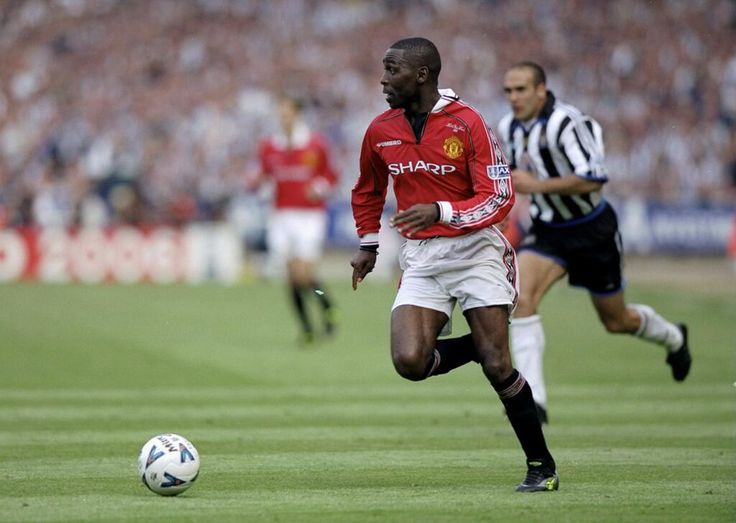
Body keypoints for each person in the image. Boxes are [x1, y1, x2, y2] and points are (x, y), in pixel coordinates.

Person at [350, 38, 559, 492]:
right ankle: (482, 343)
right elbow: (368, 189)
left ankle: (541, 467)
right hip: (423, 257)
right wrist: (368, 245)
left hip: (477, 251)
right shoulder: (380, 130)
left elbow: (500, 197)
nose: (383, 80)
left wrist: (442, 211)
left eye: (393, 70)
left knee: (498, 366)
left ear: (422, 75)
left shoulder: (469, 124)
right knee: (410, 361)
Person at [496, 62, 692, 423]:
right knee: (521, 297)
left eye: (521, 89)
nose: (513, 98)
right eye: (508, 91)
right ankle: (533, 401)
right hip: (549, 230)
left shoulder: (568, 122)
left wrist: (536, 186)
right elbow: (512, 176)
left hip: (591, 229)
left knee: (616, 320)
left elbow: (594, 178)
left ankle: (674, 338)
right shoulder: (508, 127)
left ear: (541, 89)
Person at [253, 93, 339, 345]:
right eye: (281, 114)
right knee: (291, 277)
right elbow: (264, 176)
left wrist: (319, 187)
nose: (284, 118)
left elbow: (331, 175)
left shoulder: (315, 144)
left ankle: (326, 303)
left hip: (309, 215)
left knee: (304, 275)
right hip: (281, 215)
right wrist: (259, 184)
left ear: (297, 114)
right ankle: (307, 329)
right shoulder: (269, 146)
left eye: (288, 113)